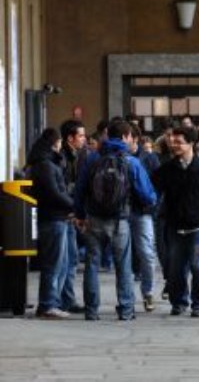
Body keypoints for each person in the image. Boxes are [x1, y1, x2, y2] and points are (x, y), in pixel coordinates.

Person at [74, 120, 157, 321]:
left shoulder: (93, 159)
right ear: (125, 137)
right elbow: (147, 195)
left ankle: (92, 310)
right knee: (123, 265)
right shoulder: (131, 162)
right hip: (120, 220)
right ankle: (126, 309)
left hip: (94, 219)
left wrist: (80, 215)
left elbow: (80, 189)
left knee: (92, 264)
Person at [153, 126, 199, 317]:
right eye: (173, 141)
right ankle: (178, 302)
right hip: (174, 226)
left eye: (179, 142)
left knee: (198, 268)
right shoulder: (167, 169)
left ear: (191, 143)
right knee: (176, 269)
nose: (174, 145)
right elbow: (152, 191)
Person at [27, 128, 74, 319]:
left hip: (57, 218)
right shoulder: (45, 165)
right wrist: (74, 205)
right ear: (55, 142)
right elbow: (54, 193)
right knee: (53, 264)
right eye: (60, 142)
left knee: (60, 263)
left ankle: (52, 302)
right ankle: (47, 304)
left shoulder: (45, 162)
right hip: (52, 219)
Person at [129, 124, 161, 312]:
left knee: (147, 254)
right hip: (123, 213)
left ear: (134, 139)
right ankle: (127, 296)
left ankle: (148, 292)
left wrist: (153, 207)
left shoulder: (149, 159)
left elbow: (158, 186)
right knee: (124, 256)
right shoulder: (116, 158)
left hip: (143, 213)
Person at [59, 119, 88, 314]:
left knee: (71, 257)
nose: (84, 139)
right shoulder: (62, 158)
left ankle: (67, 299)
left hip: (70, 213)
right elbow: (62, 187)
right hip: (62, 214)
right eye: (81, 136)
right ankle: (60, 300)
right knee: (64, 259)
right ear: (70, 138)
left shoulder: (77, 155)